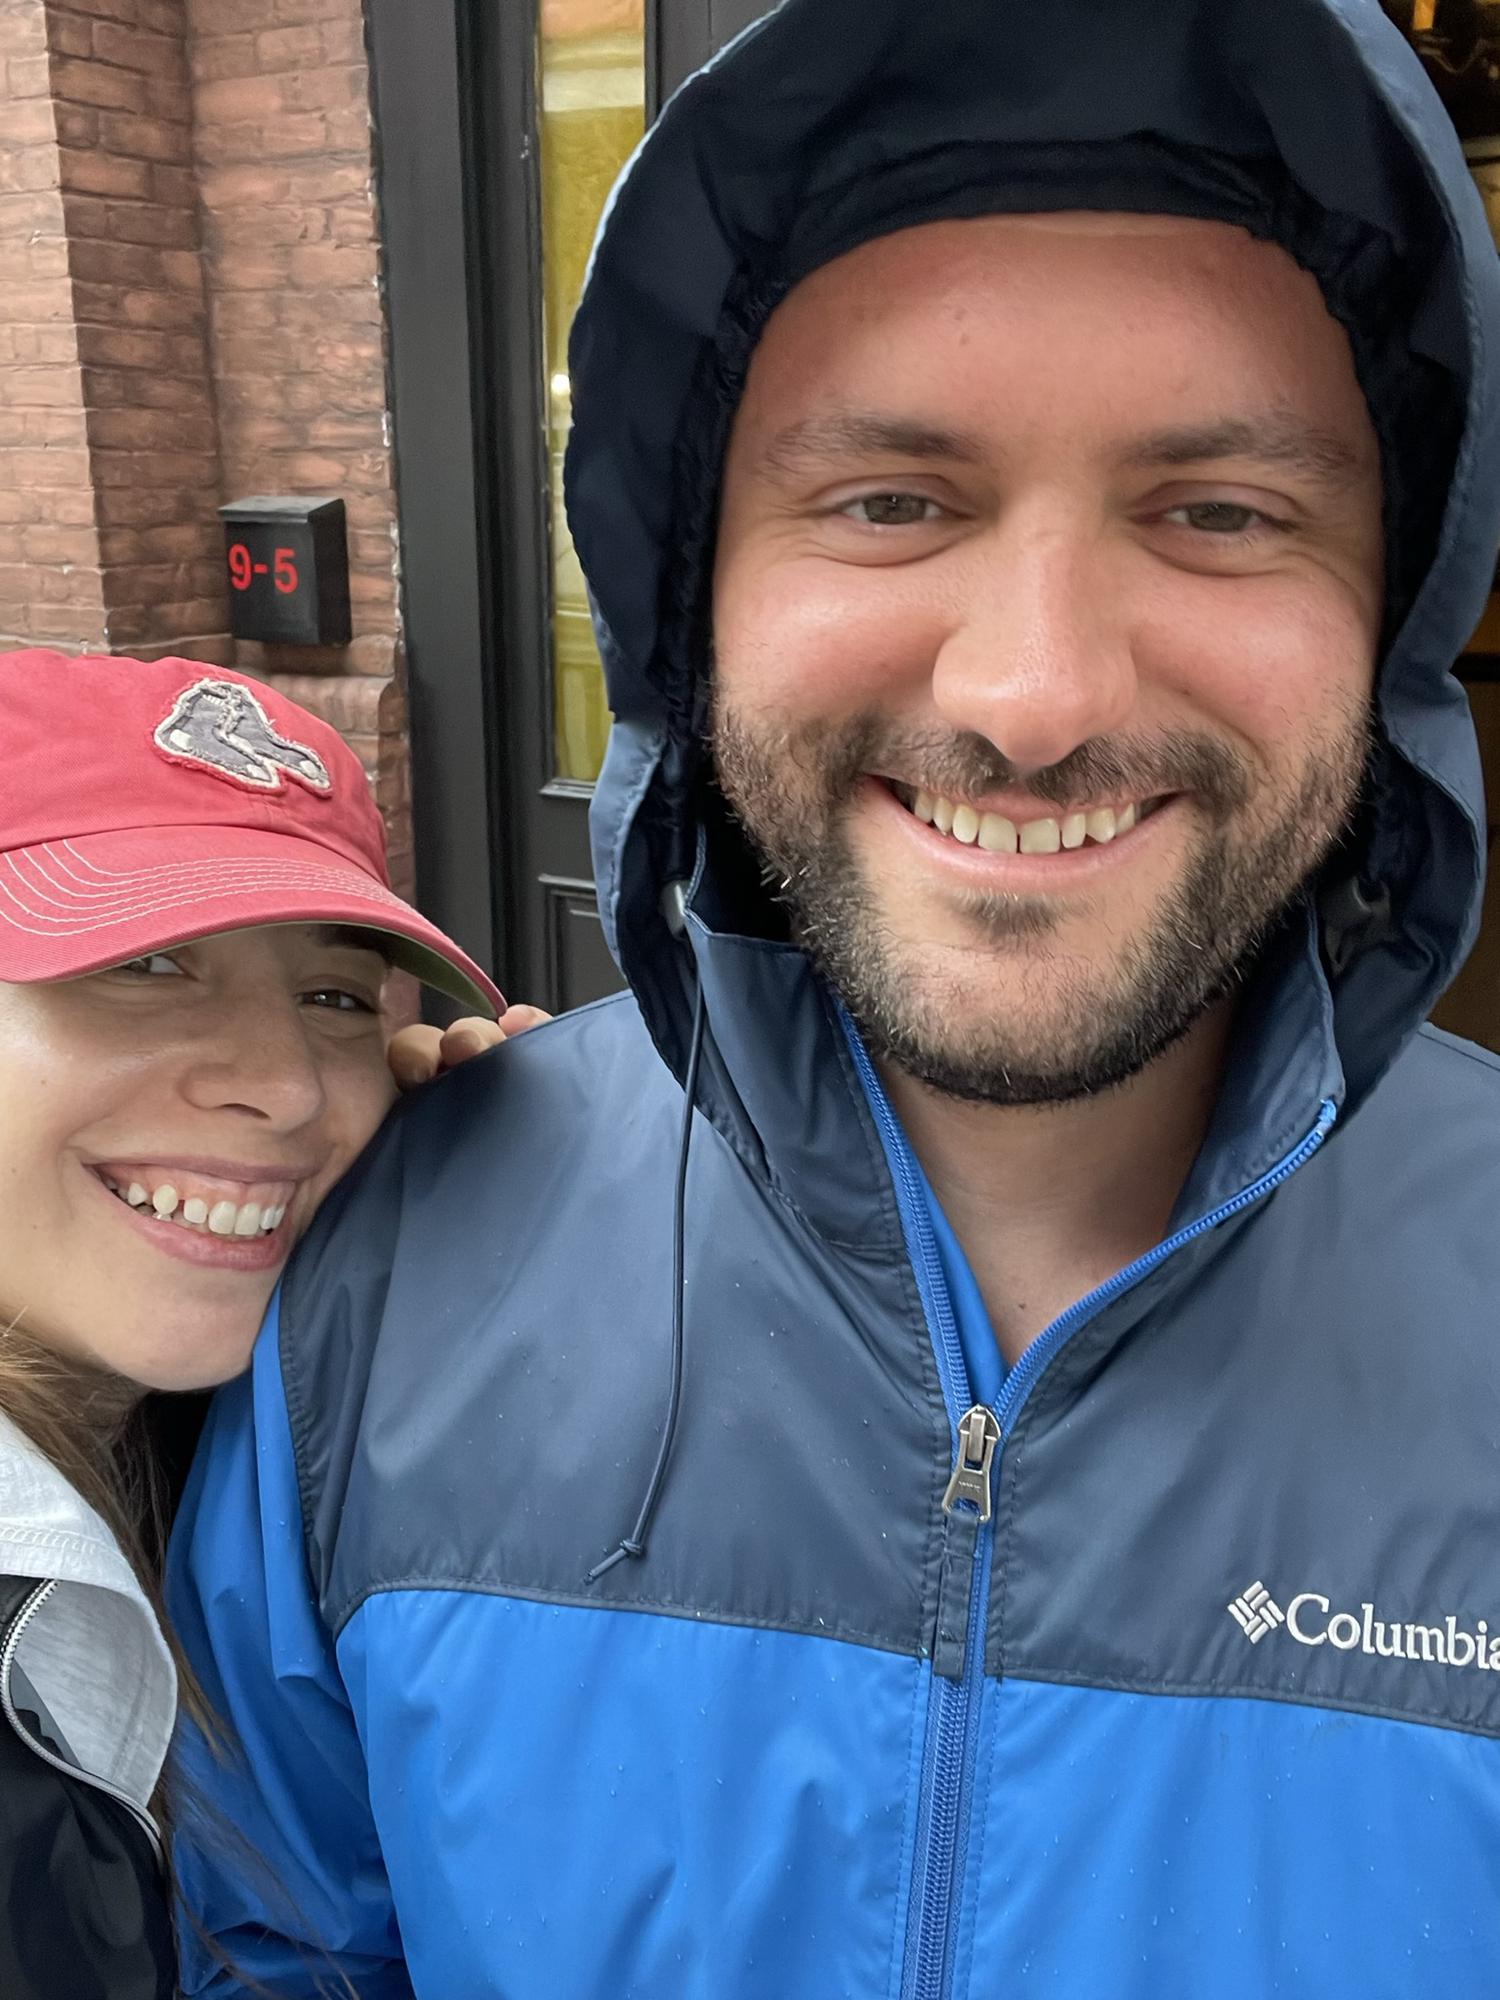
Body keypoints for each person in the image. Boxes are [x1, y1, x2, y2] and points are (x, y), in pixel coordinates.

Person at [169, 0, 1500, 1993]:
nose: (1033, 696)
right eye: (890, 499)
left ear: (1386, 619)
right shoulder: (376, 1286)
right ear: (685, 603)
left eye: (1218, 514)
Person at [0, 648, 533, 1998]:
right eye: (147, 962)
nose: (291, 1086)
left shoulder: (240, 1424)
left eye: (335, 997)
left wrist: (512, 1228)